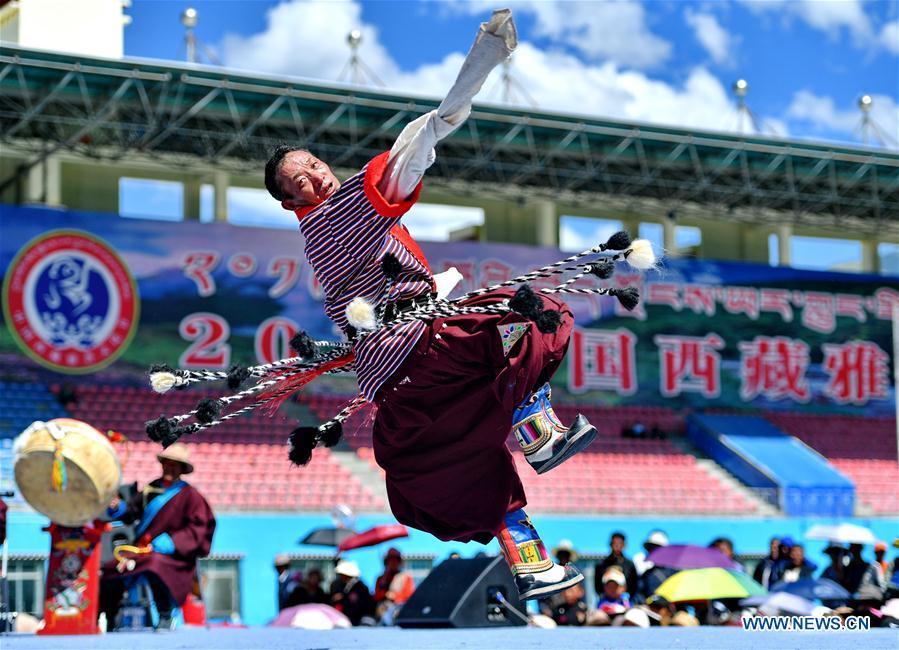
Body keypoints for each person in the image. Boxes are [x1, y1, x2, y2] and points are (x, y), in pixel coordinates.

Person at [263, 9, 596, 601]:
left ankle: (531, 560)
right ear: (293, 204)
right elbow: (418, 143)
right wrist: (484, 60)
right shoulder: (345, 210)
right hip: (425, 349)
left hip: (396, 388)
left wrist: (433, 288)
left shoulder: (318, 240)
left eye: (314, 166)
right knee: (536, 312)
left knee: (474, 467)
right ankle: (539, 429)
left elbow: (373, 289)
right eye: (301, 182)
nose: (316, 178)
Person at [100, 443, 215, 630]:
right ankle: (111, 617)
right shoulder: (150, 489)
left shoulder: (190, 495)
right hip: (141, 550)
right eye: (167, 463)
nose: (169, 468)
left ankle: (165, 615)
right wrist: (118, 507)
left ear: (181, 469)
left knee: (155, 565)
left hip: (173, 556)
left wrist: (171, 542)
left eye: (174, 465)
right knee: (110, 569)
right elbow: (131, 513)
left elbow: (199, 527)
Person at [373, 547, 415, 624]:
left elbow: (409, 596)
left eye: (395, 560)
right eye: (391, 560)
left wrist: (395, 596)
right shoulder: (381, 579)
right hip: (382, 611)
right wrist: (384, 593)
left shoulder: (405, 577)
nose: (393, 563)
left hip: (398, 610)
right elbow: (376, 595)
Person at [595, 532, 638, 600]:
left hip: (625, 600)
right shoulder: (602, 564)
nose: (617, 546)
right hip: (606, 601)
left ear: (624, 545)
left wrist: (627, 597)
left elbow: (634, 584)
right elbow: (597, 585)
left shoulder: (629, 564)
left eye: (620, 544)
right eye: (615, 544)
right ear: (610, 544)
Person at [330, 560, 375, 626]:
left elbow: (361, 606)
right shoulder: (340, 586)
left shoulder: (360, 587)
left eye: (343, 575)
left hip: (360, 620)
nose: (341, 577)